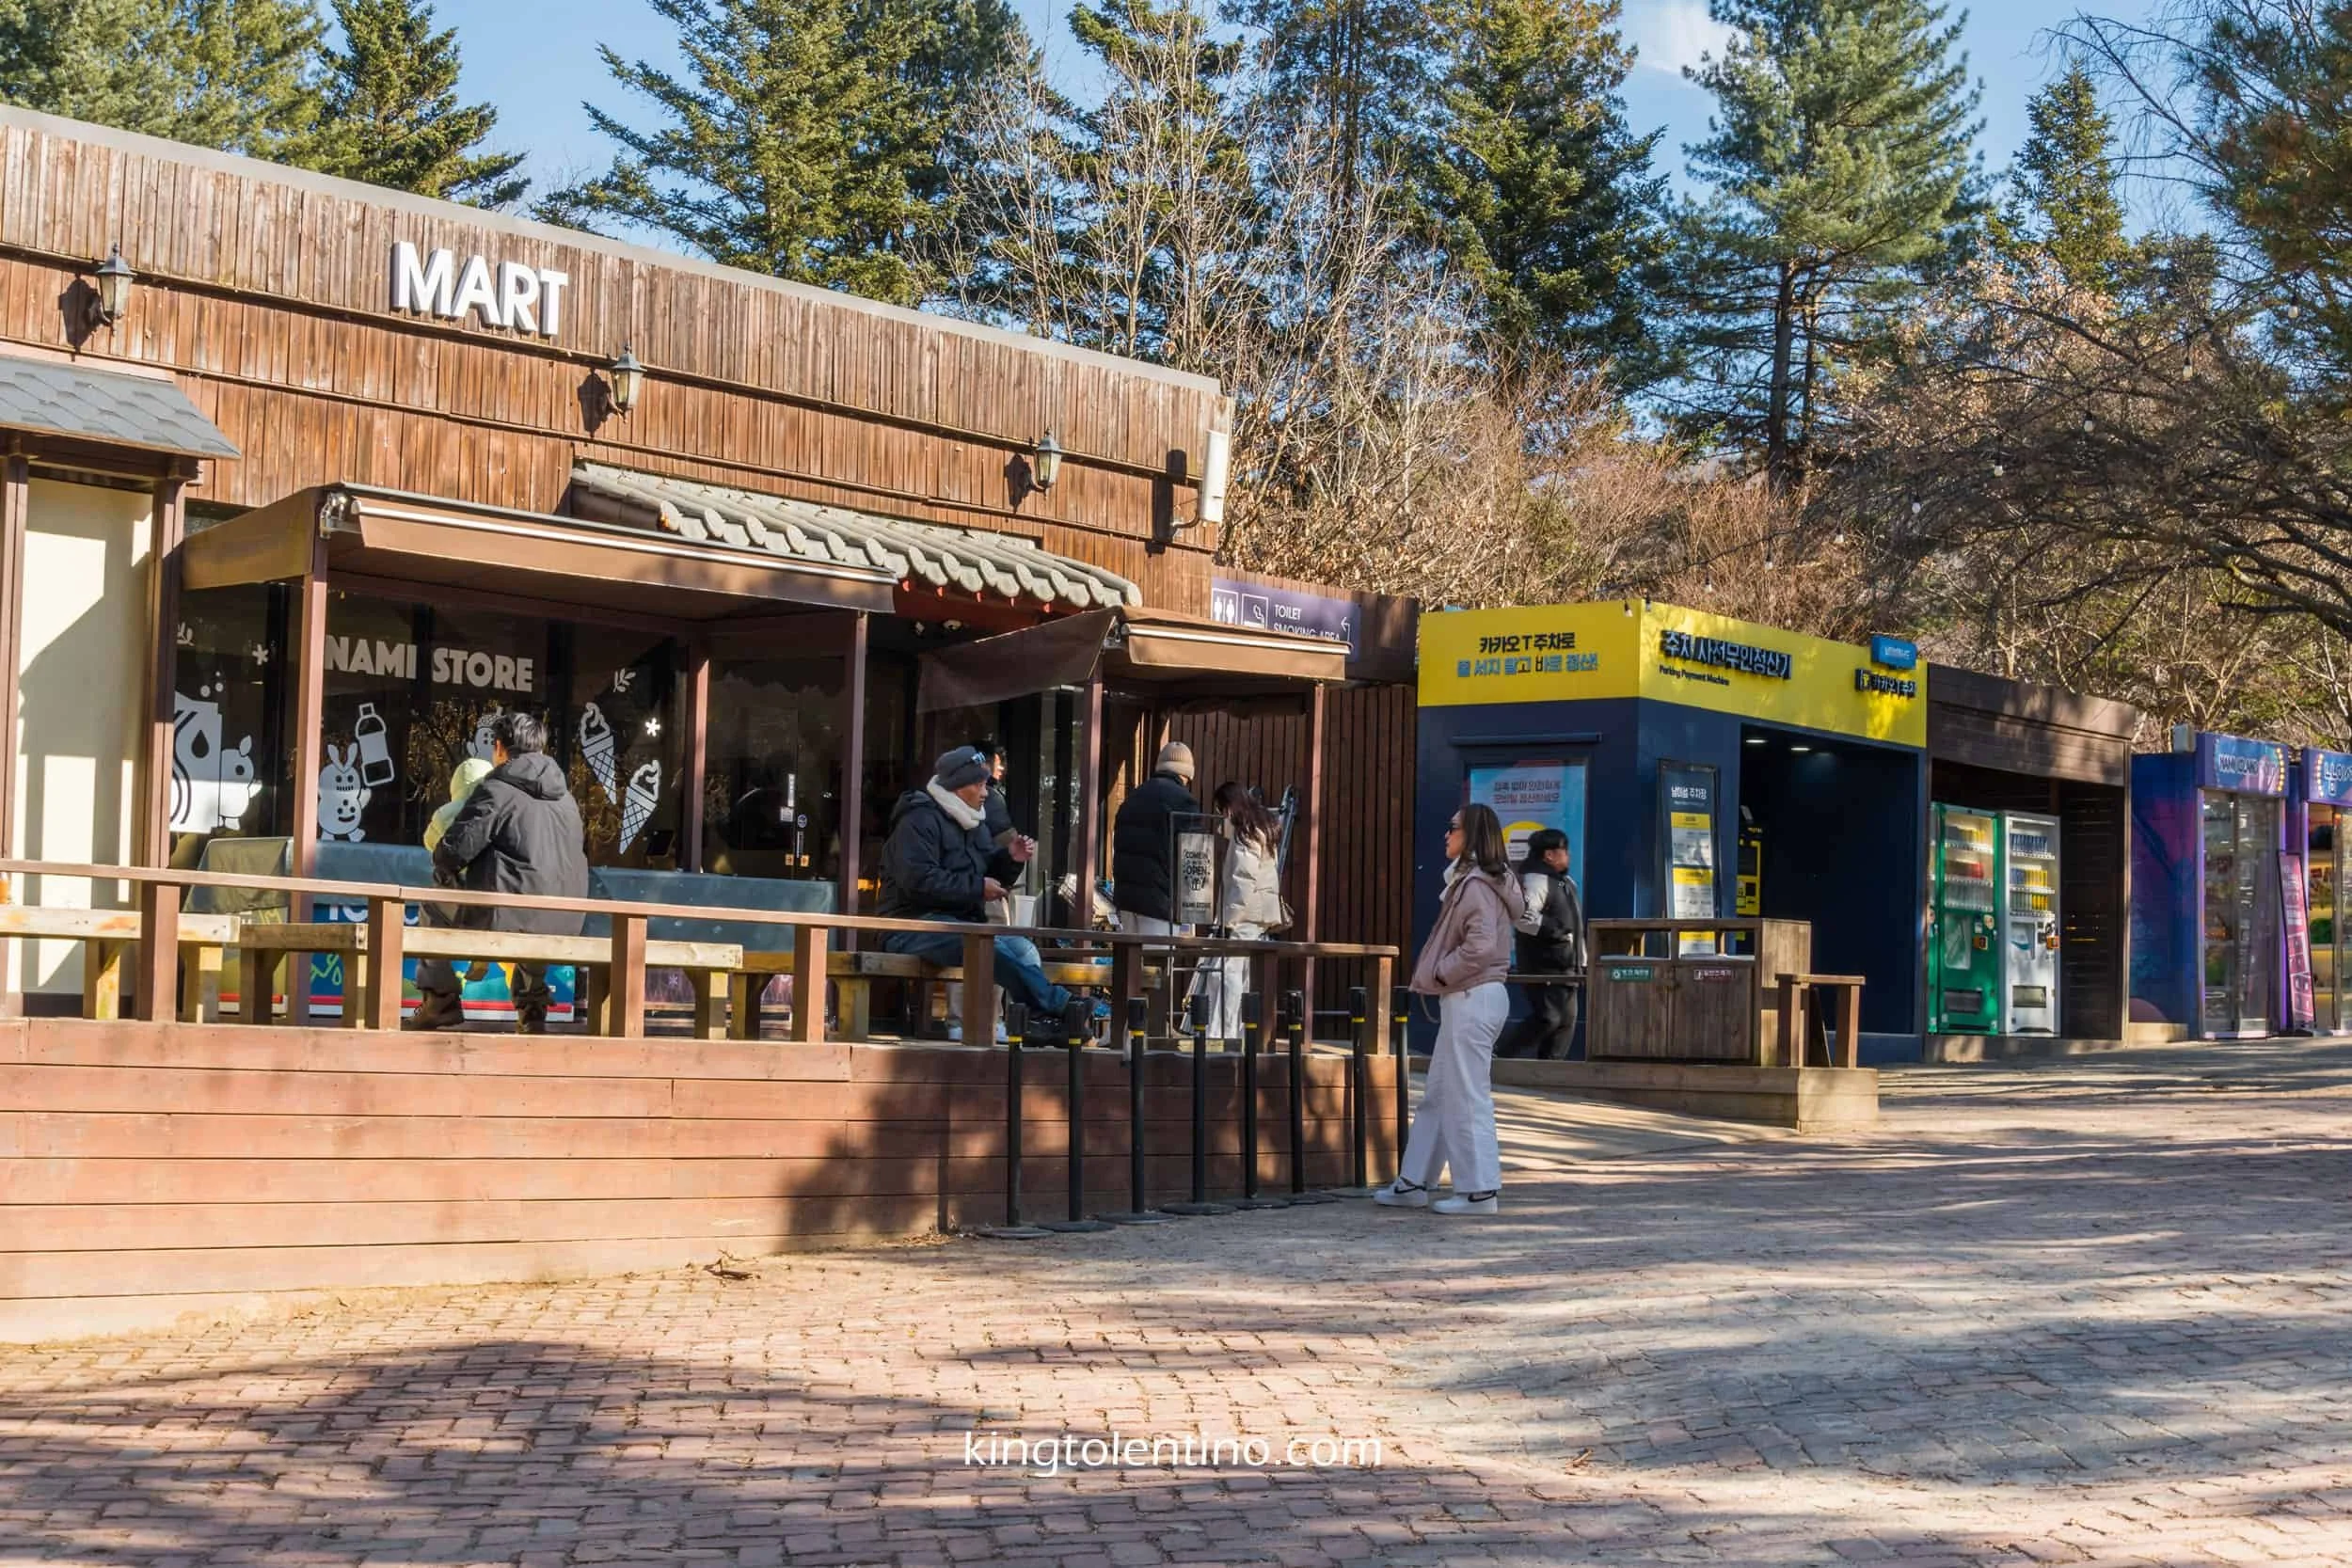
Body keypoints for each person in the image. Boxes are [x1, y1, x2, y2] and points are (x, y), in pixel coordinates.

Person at [881, 745, 1093, 1029]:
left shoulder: (974, 822)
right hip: (910, 925)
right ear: (958, 787)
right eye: (980, 785)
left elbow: (988, 874)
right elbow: (919, 882)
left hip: (960, 923)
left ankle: (1037, 1021)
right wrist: (977, 888)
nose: (985, 793)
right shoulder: (918, 820)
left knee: (1024, 951)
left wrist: (1010, 860)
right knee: (982, 944)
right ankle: (1057, 1005)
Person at [1375, 802, 1517, 1216]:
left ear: (1470, 836)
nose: (1446, 834)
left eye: (1452, 827)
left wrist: (1439, 973)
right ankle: (1414, 1181)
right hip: (1473, 996)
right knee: (1440, 1093)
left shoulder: (1474, 885)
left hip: (1471, 995)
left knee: (1466, 1096)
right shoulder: (1479, 881)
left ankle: (1479, 1191)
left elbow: (1480, 946)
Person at [418, 712, 590, 1034]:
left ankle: (440, 1002)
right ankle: (532, 1009)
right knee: (533, 900)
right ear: (541, 748)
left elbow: (451, 854)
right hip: (568, 919)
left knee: (433, 898)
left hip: (506, 915)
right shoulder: (567, 800)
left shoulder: (497, 789)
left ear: (499, 748)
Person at [1188, 782, 1285, 1042]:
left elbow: (1243, 881)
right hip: (1258, 916)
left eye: (1222, 809)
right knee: (1243, 976)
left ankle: (1224, 1031)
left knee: (1227, 973)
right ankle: (1242, 1031)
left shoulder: (1246, 834)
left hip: (1243, 916)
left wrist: (1227, 921)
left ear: (1230, 806)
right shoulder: (1262, 827)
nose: (1221, 815)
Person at [1497, 828, 1586, 1060]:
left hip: (1568, 965)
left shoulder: (1566, 882)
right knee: (1548, 1017)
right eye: (1564, 851)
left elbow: (1576, 927)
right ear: (1549, 855)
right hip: (1543, 964)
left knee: (1566, 1021)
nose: (1568, 856)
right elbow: (1522, 918)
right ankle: (1500, 1054)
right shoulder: (1536, 880)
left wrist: (1582, 959)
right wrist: (1555, 931)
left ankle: (1550, 1072)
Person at [1111, 740, 1200, 936]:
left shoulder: (1132, 798)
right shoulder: (1184, 801)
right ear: (1186, 774)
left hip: (1127, 901)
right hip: (1160, 903)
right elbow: (1193, 857)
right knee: (1158, 963)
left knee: (1129, 964)